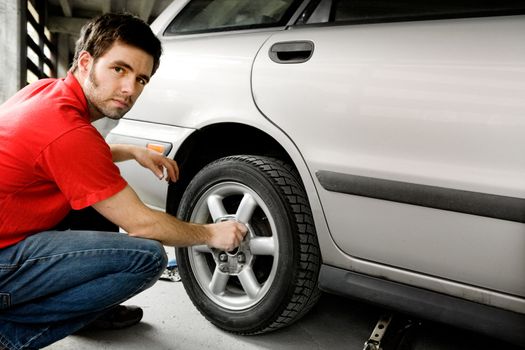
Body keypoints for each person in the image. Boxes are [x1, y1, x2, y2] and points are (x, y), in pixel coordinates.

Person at [0, 13, 247, 350]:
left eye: (141, 79)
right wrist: (210, 234)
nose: (130, 89)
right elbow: (143, 223)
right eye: (119, 69)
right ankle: (10, 335)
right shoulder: (69, 132)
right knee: (147, 257)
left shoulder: (45, 92)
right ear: (86, 62)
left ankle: (90, 312)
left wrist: (132, 151)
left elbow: (67, 155)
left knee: (94, 201)